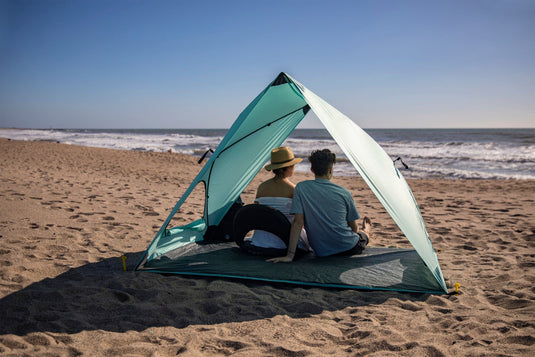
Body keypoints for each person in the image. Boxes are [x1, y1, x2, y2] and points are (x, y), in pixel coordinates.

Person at [268, 148, 371, 263]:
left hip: (322, 251)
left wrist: (290, 256)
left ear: (312, 169)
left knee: (359, 234)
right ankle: (366, 230)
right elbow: (353, 228)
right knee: (362, 235)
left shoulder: (301, 188)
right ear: (331, 169)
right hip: (349, 247)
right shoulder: (344, 193)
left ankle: (365, 230)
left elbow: (297, 223)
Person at [245, 146, 309, 254]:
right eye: (293, 165)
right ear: (288, 167)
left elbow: (256, 213)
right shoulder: (293, 189)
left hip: (261, 240)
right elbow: (299, 220)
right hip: (283, 241)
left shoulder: (262, 187)